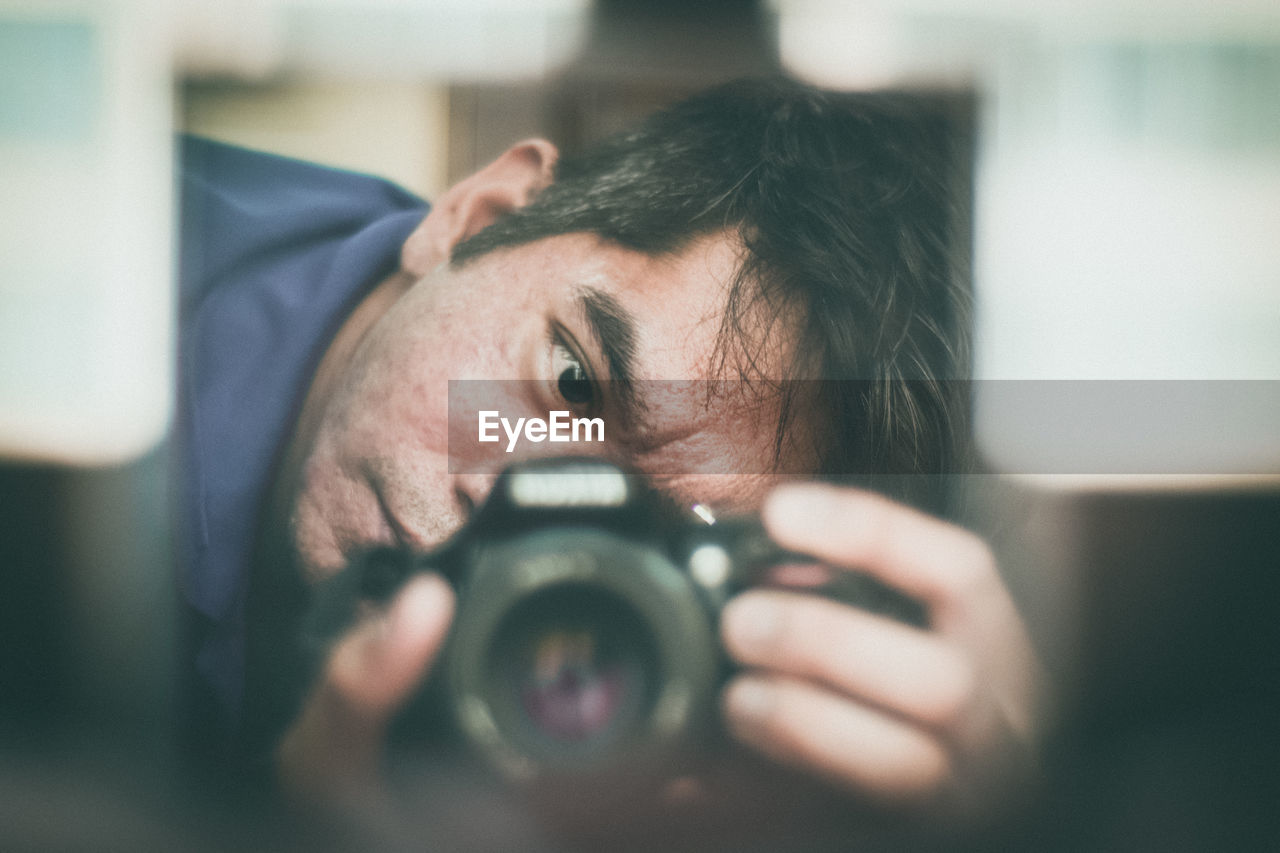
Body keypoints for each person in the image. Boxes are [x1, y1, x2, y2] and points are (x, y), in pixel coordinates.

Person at [177, 77, 1040, 840]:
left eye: (644, 531)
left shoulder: (650, 755)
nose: (519, 502)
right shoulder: (97, 305)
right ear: (479, 218)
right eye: (572, 383)